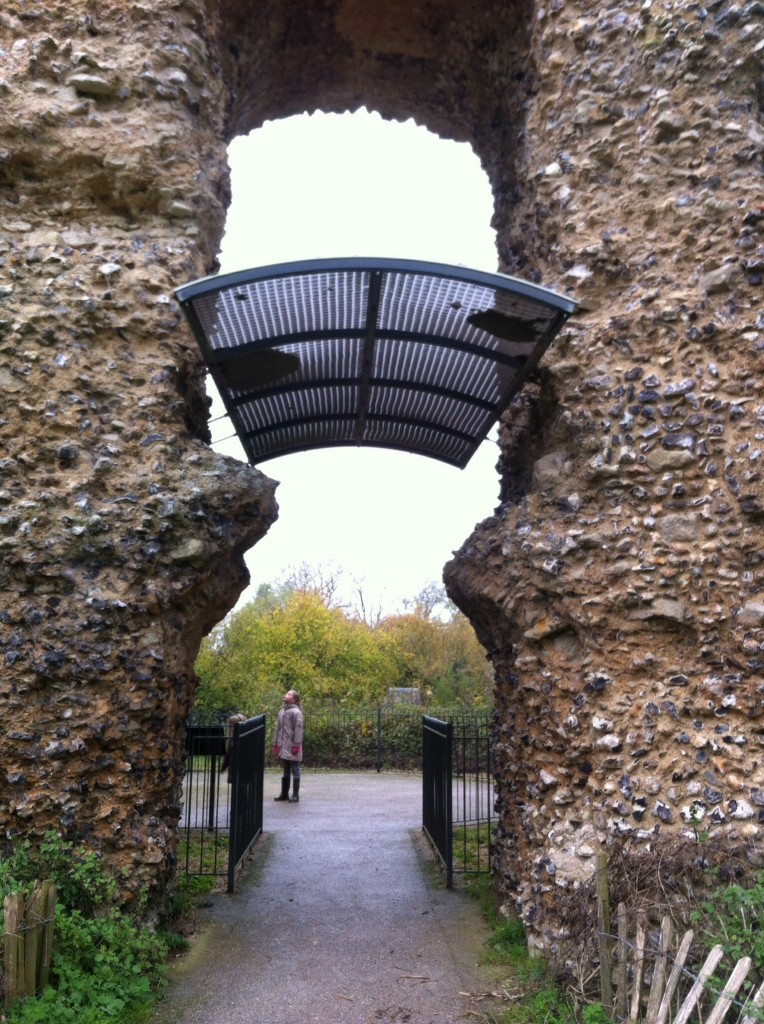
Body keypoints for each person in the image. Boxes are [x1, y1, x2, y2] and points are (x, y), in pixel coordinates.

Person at [273, 690, 303, 803]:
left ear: (294, 699)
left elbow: (298, 730)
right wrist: (275, 744)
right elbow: (277, 730)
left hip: (292, 747)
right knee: (285, 771)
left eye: (289, 694)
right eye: (286, 693)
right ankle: (284, 794)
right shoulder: (281, 712)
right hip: (283, 747)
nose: (286, 695)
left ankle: (295, 795)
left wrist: (296, 745)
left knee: (295, 770)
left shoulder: (296, 712)